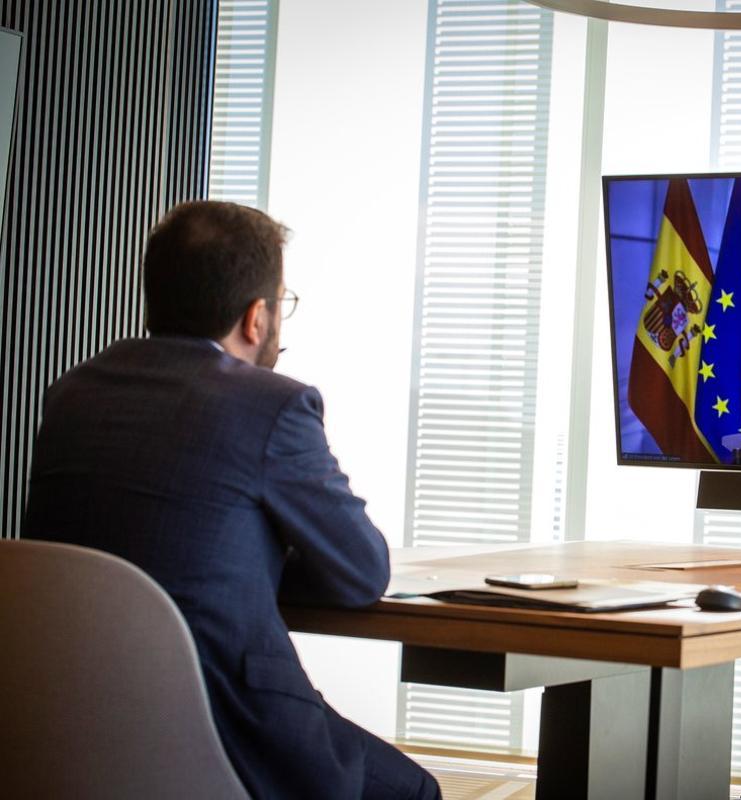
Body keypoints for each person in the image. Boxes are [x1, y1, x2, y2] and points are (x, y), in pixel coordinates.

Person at [22, 201, 441, 800]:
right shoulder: (271, 407)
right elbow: (361, 572)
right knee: (414, 792)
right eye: (281, 304)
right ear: (256, 318)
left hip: (68, 734)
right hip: (224, 733)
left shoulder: (71, 394)